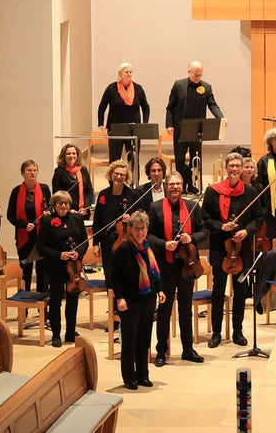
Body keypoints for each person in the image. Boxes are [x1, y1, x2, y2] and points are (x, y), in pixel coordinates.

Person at [203, 152, 262, 347]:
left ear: (242, 168)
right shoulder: (213, 191)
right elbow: (205, 219)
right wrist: (221, 226)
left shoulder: (250, 192)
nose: (235, 169)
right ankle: (217, 332)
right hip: (220, 248)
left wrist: (246, 231)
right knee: (218, 290)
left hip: (243, 249)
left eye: (238, 166)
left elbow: (258, 219)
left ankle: (238, 330)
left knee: (240, 289)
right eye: (232, 166)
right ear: (226, 168)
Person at [148, 171, 206, 366]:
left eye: (178, 184)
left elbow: (204, 231)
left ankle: (188, 349)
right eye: (171, 184)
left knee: (185, 310)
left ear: (182, 186)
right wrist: (164, 244)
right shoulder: (155, 208)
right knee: (164, 310)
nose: (175, 187)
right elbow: (147, 236)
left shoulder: (192, 206)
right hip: (165, 265)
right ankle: (161, 352)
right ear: (166, 185)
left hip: (187, 265)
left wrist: (192, 238)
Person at [110, 211, 165, 390]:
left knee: (144, 338)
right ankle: (129, 377)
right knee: (130, 340)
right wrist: (119, 298)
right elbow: (114, 277)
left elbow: (154, 273)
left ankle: (143, 375)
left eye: (143, 228)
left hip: (148, 299)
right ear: (131, 230)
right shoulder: (123, 250)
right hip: (129, 301)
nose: (140, 232)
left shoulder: (149, 248)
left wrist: (160, 290)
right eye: (137, 228)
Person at [36, 191, 87, 347]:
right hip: (56, 266)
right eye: (60, 203)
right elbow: (41, 246)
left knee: (73, 299)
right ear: (54, 205)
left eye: (66, 203)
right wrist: (59, 255)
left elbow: (85, 240)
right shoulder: (47, 221)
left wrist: (78, 252)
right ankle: (56, 333)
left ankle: (70, 332)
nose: (63, 206)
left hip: (74, 266)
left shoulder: (77, 219)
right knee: (56, 300)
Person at [165, 61, 225, 193]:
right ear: (189, 72)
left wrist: (221, 117)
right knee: (180, 160)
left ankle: (193, 184)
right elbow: (170, 107)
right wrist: (169, 124)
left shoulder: (206, 87)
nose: (198, 77)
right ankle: (183, 184)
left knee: (196, 159)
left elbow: (213, 105)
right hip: (180, 129)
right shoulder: (178, 85)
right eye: (195, 75)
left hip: (198, 130)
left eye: (200, 75)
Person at [93, 161, 139, 284]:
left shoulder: (133, 195)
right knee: (110, 276)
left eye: (122, 175)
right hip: (107, 242)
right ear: (111, 174)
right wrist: (95, 243)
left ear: (126, 177)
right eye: (116, 173)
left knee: (127, 277)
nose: (118, 177)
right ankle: (111, 302)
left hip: (127, 242)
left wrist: (132, 219)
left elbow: (142, 218)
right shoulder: (104, 194)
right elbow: (97, 221)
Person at [7, 159, 49, 292]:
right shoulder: (16, 191)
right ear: (22, 173)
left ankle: (42, 306)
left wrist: (49, 213)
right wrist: (24, 225)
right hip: (24, 237)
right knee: (26, 272)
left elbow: (52, 209)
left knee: (42, 273)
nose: (33, 173)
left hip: (42, 237)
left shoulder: (44, 188)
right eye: (29, 170)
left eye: (35, 170)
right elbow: (10, 215)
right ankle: (23, 307)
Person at [98, 63, 151, 165]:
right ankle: (113, 180)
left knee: (133, 160)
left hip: (133, 129)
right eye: (126, 72)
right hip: (115, 128)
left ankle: (134, 180)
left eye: (131, 72)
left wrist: (144, 124)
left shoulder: (138, 89)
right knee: (114, 159)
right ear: (120, 74)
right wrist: (101, 124)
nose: (129, 74)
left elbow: (146, 107)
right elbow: (102, 107)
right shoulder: (111, 88)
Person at [52, 143, 94, 219]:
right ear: (64, 157)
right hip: (66, 212)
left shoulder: (83, 170)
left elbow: (89, 191)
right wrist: (69, 209)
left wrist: (85, 207)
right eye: (68, 154)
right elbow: (57, 194)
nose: (71, 156)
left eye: (74, 153)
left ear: (77, 156)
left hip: (83, 212)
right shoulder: (59, 172)